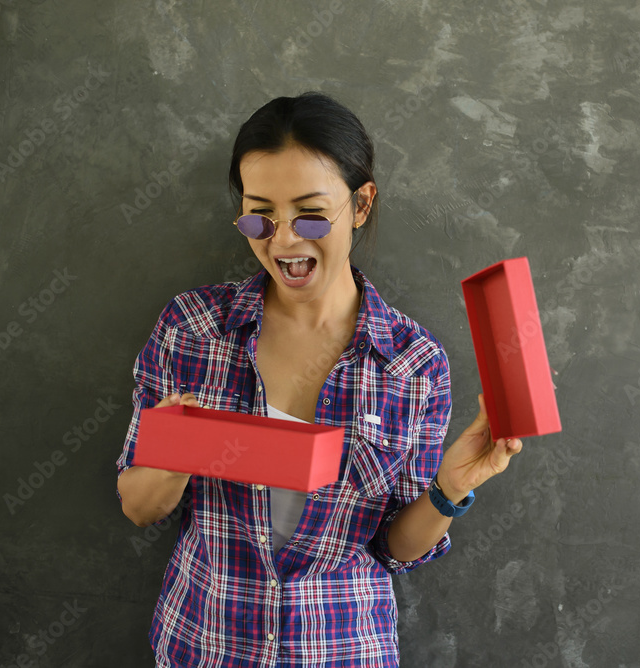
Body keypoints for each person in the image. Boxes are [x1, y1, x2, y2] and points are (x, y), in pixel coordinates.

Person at [115, 92, 523, 667]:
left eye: (310, 213)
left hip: (341, 649)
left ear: (360, 205)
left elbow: (394, 548)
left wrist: (449, 489)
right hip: (204, 645)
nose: (283, 240)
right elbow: (139, 508)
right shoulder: (191, 329)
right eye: (261, 214)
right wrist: (182, 447)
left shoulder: (413, 364)